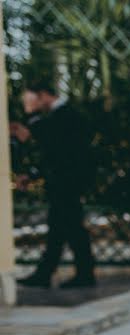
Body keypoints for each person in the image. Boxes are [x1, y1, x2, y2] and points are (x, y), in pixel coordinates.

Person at [11, 80, 96, 289]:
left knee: (72, 229)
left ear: (42, 95)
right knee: (59, 229)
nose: (26, 104)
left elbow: (59, 148)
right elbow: (51, 154)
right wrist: (32, 174)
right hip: (61, 183)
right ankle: (47, 273)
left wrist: (31, 120)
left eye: (29, 100)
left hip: (69, 183)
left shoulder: (67, 115)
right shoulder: (55, 117)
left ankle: (82, 275)